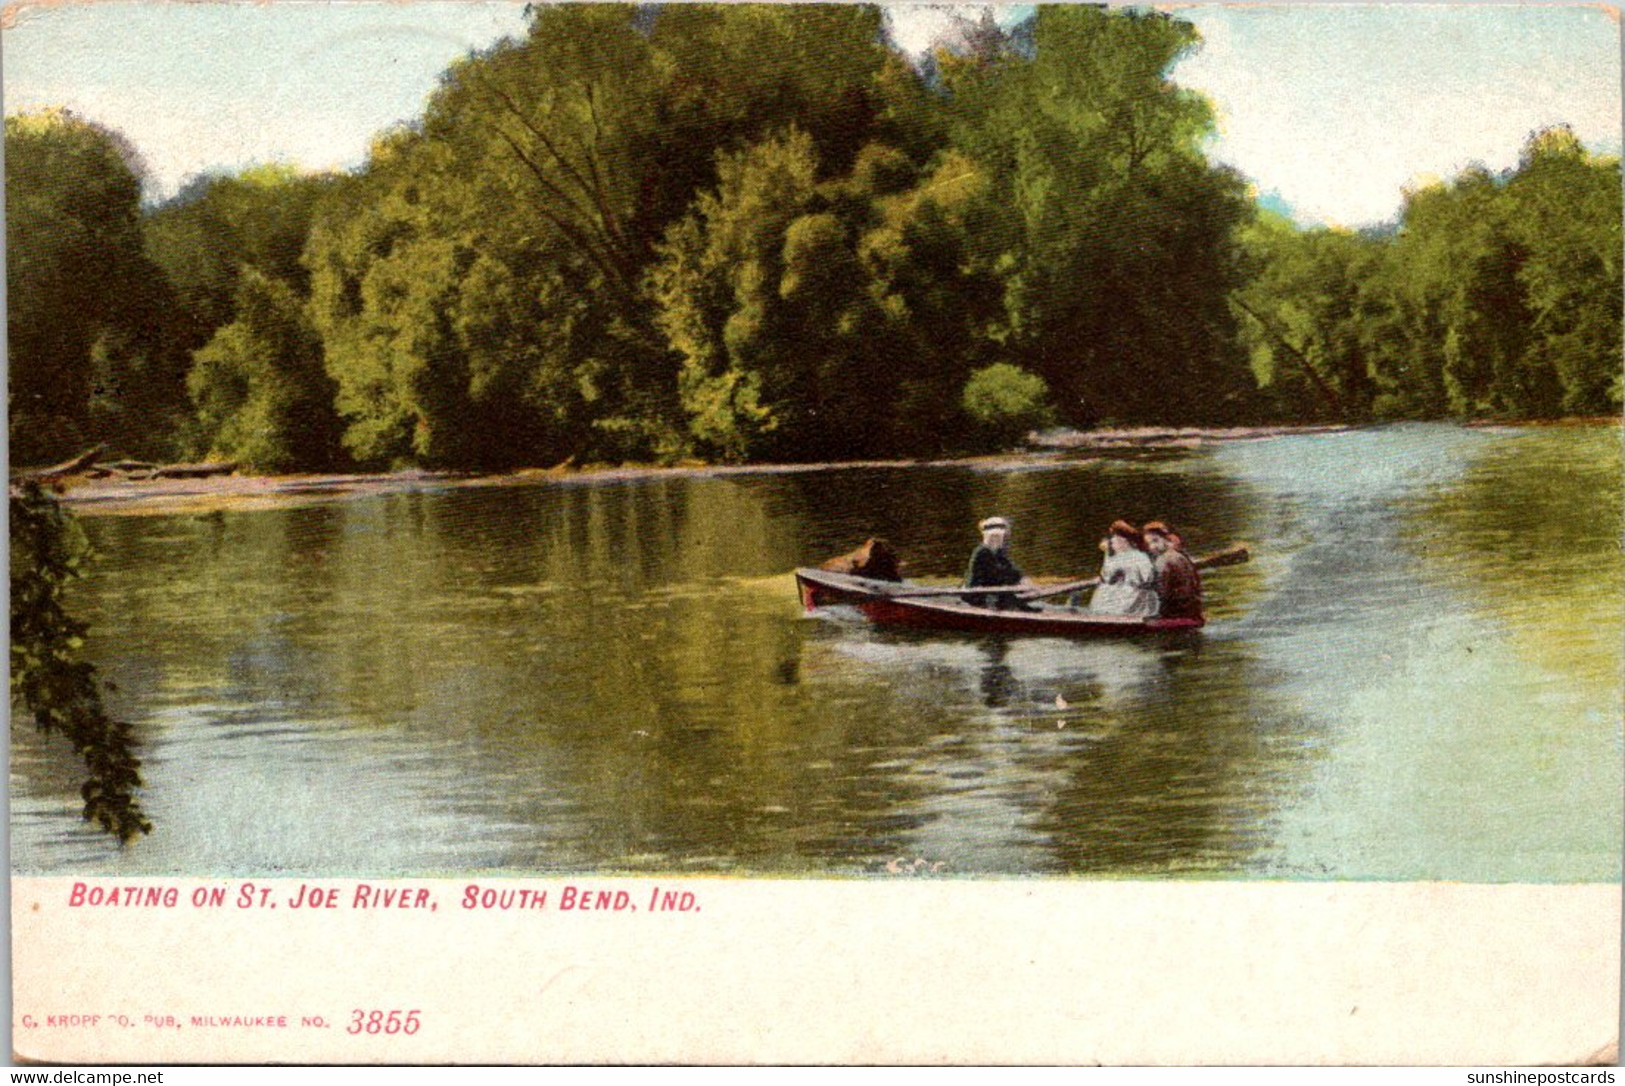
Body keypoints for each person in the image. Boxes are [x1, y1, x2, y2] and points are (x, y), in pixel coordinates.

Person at [1088, 520, 1159, 617]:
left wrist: (1107, 554)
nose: (1111, 541)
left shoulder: (1130, 557)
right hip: (1133, 597)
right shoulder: (1138, 556)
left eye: (1114, 537)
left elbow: (1108, 577)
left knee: (1106, 600)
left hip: (1133, 600)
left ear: (1124, 540)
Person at [964, 516, 1033, 609]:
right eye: (995, 536)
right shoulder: (982, 552)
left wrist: (1022, 578)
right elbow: (994, 576)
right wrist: (1015, 582)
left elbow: (1010, 568)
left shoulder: (998, 552)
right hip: (978, 595)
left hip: (993, 592)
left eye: (1000, 537)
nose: (998, 539)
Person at [1143, 521, 1203, 620]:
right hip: (1192, 609)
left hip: (1175, 612)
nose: (1153, 547)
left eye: (1155, 541)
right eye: (1149, 543)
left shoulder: (1163, 560)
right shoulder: (1180, 556)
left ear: (1166, 540)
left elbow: (1162, 591)